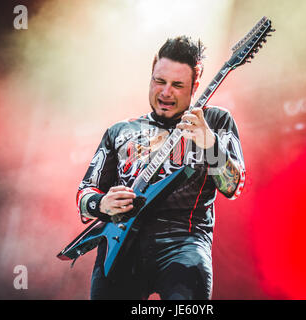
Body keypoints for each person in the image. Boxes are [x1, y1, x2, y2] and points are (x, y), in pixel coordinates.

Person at [76, 36, 246, 300]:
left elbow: (233, 186)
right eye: (159, 81)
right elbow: (85, 194)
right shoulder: (120, 131)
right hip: (119, 248)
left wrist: (210, 143)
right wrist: (102, 204)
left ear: (195, 86)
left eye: (177, 85)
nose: (166, 92)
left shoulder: (215, 121)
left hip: (183, 244)